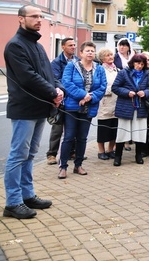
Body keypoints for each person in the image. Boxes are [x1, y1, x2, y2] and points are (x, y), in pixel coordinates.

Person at [2, 5, 63, 219]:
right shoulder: (15, 45)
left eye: (40, 16)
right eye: (34, 16)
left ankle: (27, 195)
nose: (39, 20)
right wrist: (52, 92)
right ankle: (13, 202)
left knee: (29, 154)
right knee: (18, 155)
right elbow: (28, 76)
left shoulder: (37, 44)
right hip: (24, 108)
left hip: (40, 106)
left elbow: (48, 73)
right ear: (21, 19)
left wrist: (58, 88)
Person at [58, 42, 107, 179]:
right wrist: (82, 95)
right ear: (81, 53)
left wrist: (89, 98)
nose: (90, 53)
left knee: (82, 137)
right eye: (87, 50)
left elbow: (102, 87)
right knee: (68, 137)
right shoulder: (72, 66)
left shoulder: (99, 68)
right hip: (72, 107)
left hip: (89, 107)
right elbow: (66, 83)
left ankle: (78, 165)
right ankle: (63, 167)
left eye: (92, 50)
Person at [111, 54, 149, 166]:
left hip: (140, 107)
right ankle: (118, 156)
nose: (139, 66)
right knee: (122, 132)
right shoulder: (123, 73)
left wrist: (145, 93)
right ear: (133, 62)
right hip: (125, 106)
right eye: (137, 63)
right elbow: (115, 87)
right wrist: (126, 92)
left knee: (139, 132)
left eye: (142, 64)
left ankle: (138, 155)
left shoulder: (146, 74)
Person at [47, 37, 77, 165]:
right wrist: (67, 89)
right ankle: (52, 154)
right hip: (61, 99)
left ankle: (71, 152)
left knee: (73, 127)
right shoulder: (56, 63)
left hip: (73, 99)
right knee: (57, 128)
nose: (73, 47)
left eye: (74, 45)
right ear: (63, 47)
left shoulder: (78, 61)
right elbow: (55, 79)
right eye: (70, 45)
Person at [96, 48, 119, 160]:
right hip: (105, 101)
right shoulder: (100, 70)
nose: (110, 57)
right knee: (103, 127)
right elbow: (98, 86)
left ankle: (111, 149)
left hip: (116, 101)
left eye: (111, 55)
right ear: (102, 58)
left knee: (114, 126)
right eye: (107, 55)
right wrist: (111, 89)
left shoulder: (117, 69)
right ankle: (101, 150)